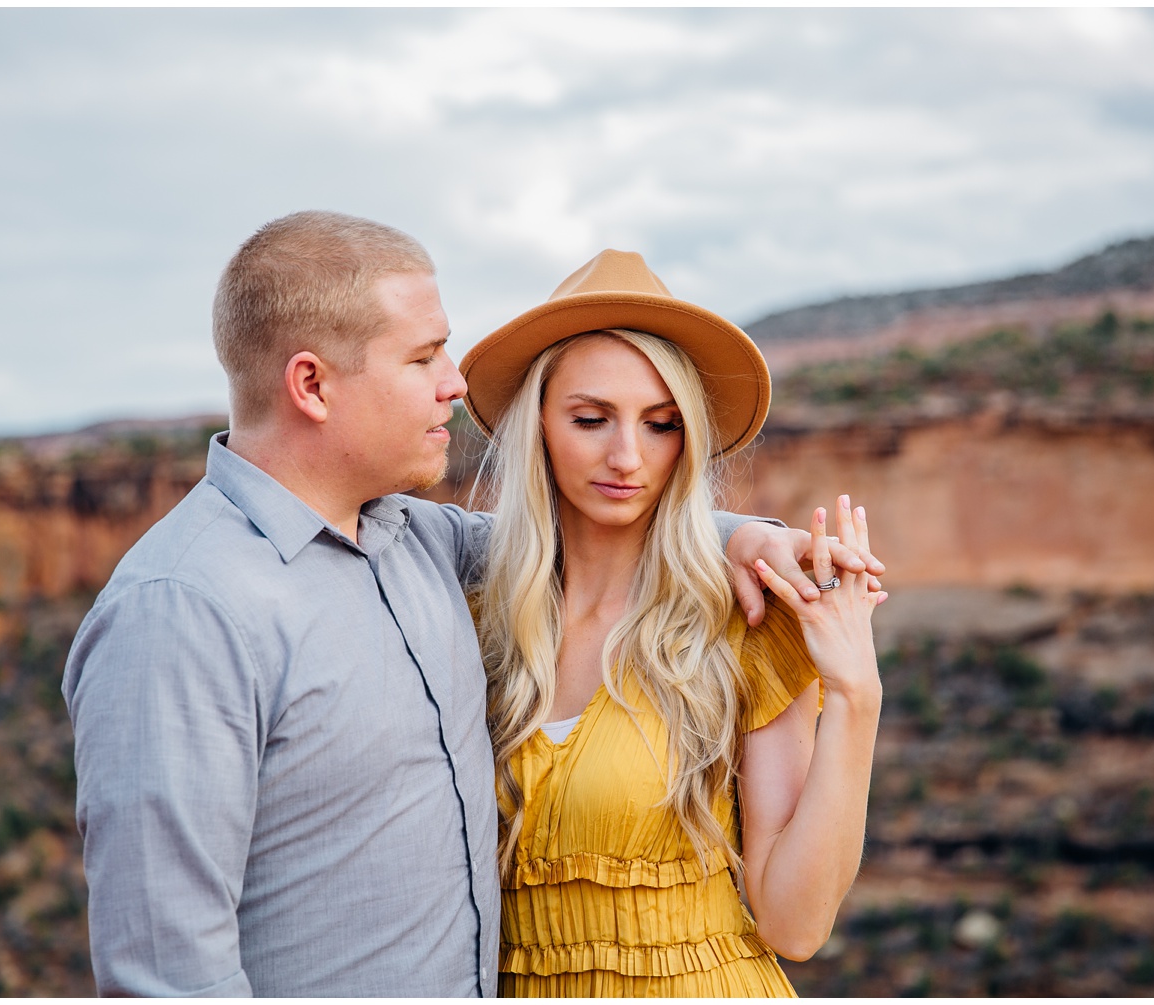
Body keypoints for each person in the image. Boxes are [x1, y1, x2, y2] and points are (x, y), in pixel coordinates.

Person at [61, 213, 877, 996]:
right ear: (310, 384)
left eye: (662, 425)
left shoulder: (412, 540)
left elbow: (589, 533)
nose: (454, 384)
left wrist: (753, 543)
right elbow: (169, 976)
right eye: (424, 359)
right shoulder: (184, 610)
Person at [459, 250, 887, 996]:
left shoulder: (743, 621)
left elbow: (796, 923)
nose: (627, 456)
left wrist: (856, 694)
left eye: (660, 425)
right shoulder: (469, 622)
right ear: (539, 428)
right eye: (591, 418)